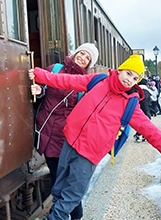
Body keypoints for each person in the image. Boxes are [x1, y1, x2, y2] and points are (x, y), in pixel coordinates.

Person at [29, 55, 161, 220]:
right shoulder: (98, 81)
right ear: (119, 70)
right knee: (59, 186)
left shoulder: (130, 104)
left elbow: (152, 132)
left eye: (135, 78)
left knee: (73, 192)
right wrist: (39, 75)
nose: (129, 80)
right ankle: (57, 212)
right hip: (70, 141)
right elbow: (66, 81)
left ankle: (56, 217)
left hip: (89, 153)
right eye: (128, 73)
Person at [31, 43, 99, 220]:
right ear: (76, 52)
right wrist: (38, 91)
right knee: (57, 180)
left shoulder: (87, 84)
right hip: (47, 133)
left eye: (87, 58)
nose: (82, 58)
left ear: (89, 64)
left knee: (70, 184)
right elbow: (40, 91)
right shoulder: (55, 69)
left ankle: (75, 216)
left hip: (68, 139)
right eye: (82, 53)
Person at [133, 78, 152, 142]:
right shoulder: (147, 91)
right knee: (145, 123)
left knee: (141, 123)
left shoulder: (136, 90)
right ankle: (142, 135)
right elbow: (150, 100)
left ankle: (141, 135)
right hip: (146, 109)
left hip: (138, 109)